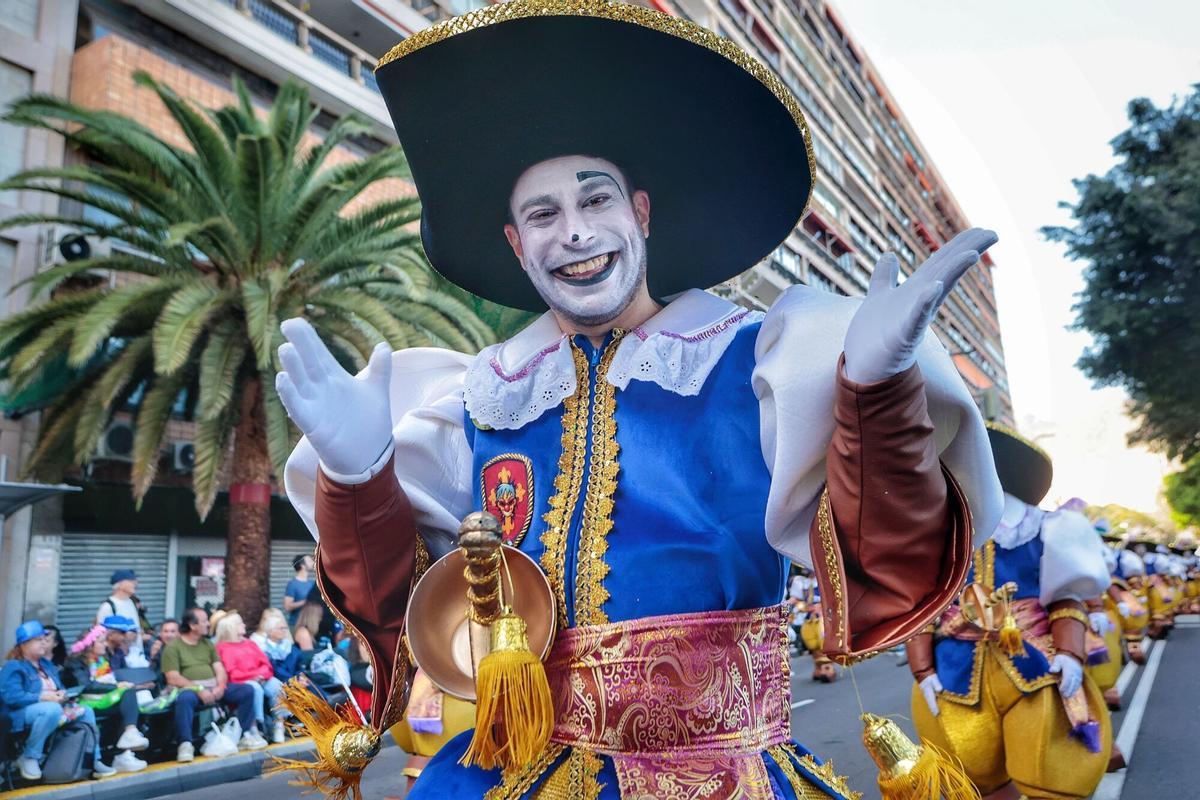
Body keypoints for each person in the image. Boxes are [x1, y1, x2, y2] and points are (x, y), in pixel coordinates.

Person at [279, 2, 1003, 796]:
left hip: (719, 777)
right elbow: (414, 606)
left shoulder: (757, 362)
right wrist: (360, 474)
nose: (576, 233)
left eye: (596, 201)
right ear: (518, 246)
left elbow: (886, 551)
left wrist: (876, 396)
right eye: (543, 215)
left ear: (641, 214)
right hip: (521, 772)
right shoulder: (484, 396)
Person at [905, 425, 1113, 799]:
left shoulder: (1046, 527)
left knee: (1048, 771)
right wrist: (922, 666)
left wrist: (1069, 651)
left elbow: (1064, 599)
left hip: (1033, 665)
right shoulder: (941, 532)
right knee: (972, 773)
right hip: (954, 672)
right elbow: (925, 607)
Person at [0, 620, 115, 781]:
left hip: (52, 709)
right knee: (51, 709)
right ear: (24, 644)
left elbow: (58, 688)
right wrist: (43, 696)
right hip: (21, 714)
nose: (44, 643)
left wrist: (63, 696)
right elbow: (11, 697)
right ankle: (30, 756)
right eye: (39, 640)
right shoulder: (14, 666)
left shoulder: (46, 665)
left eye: (44, 639)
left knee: (85, 710)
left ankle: (93, 759)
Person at [160, 607, 265, 761]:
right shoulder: (173, 648)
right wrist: (199, 689)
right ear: (192, 625)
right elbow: (173, 678)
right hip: (191, 689)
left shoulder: (207, 644)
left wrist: (221, 686)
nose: (208, 624)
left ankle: (244, 734)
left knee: (247, 691)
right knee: (185, 699)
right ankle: (185, 744)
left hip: (214, 687)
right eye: (203, 621)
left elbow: (219, 669)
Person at [62, 620, 149, 773]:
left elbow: (107, 681)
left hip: (103, 700)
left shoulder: (102, 660)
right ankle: (128, 738)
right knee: (127, 692)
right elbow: (87, 686)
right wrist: (117, 686)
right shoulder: (75, 663)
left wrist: (118, 686)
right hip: (84, 703)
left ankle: (124, 753)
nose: (106, 645)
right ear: (90, 644)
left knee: (129, 699)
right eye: (101, 642)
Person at [214, 612, 285, 744]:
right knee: (254, 688)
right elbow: (232, 673)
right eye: (240, 623)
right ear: (231, 627)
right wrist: (253, 677)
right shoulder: (222, 648)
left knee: (276, 685)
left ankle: (279, 725)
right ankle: (255, 727)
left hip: (261, 678)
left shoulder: (250, 643)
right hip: (242, 682)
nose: (244, 625)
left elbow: (265, 664)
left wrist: (262, 675)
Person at [95, 569, 146, 663]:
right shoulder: (108, 607)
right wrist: (124, 637)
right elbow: (100, 636)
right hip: (118, 660)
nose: (136, 583)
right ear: (120, 584)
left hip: (136, 657)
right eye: (131, 581)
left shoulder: (131, 602)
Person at [292, 586, 334, 651]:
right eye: (319, 616)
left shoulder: (311, 633)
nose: (320, 619)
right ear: (312, 618)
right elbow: (310, 657)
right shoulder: (303, 633)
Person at [283, 554, 315, 628]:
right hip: (297, 625)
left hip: (311, 625)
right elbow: (287, 607)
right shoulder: (292, 584)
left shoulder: (312, 583)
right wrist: (305, 601)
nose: (313, 562)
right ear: (302, 566)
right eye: (310, 561)